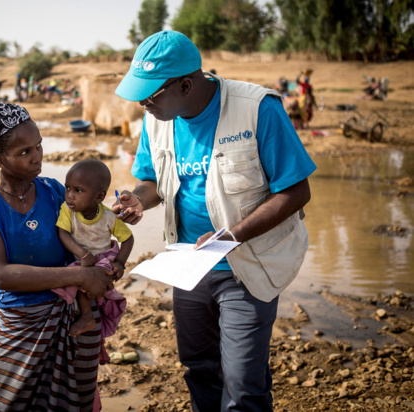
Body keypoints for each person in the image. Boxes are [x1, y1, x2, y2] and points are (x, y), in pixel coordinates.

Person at [113, 31, 316, 411]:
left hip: (247, 265)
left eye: (150, 95)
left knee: (242, 385)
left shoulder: (256, 109)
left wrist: (230, 237)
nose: (142, 104)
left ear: (186, 84)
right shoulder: (158, 118)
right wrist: (137, 201)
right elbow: (152, 181)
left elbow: (295, 191)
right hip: (189, 263)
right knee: (200, 368)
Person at [0, 99, 114, 411]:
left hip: (71, 317)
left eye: (39, 146)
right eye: (24, 152)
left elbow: (93, 225)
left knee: (75, 402)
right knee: (6, 403)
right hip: (19, 325)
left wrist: (117, 218)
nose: (37, 157)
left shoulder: (54, 190)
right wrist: (81, 275)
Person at [54, 159, 133, 337]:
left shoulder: (108, 217)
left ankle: (88, 317)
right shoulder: (67, 210)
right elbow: (63, 233)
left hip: (104, 259)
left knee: (91, 279)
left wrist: (120, 263)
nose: (70, 195)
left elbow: (127, 239)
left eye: (78, 190)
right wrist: (83, 254)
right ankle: (87, 315)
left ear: (99, 196)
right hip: (83, 259)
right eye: (68, 188)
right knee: (78, 277)